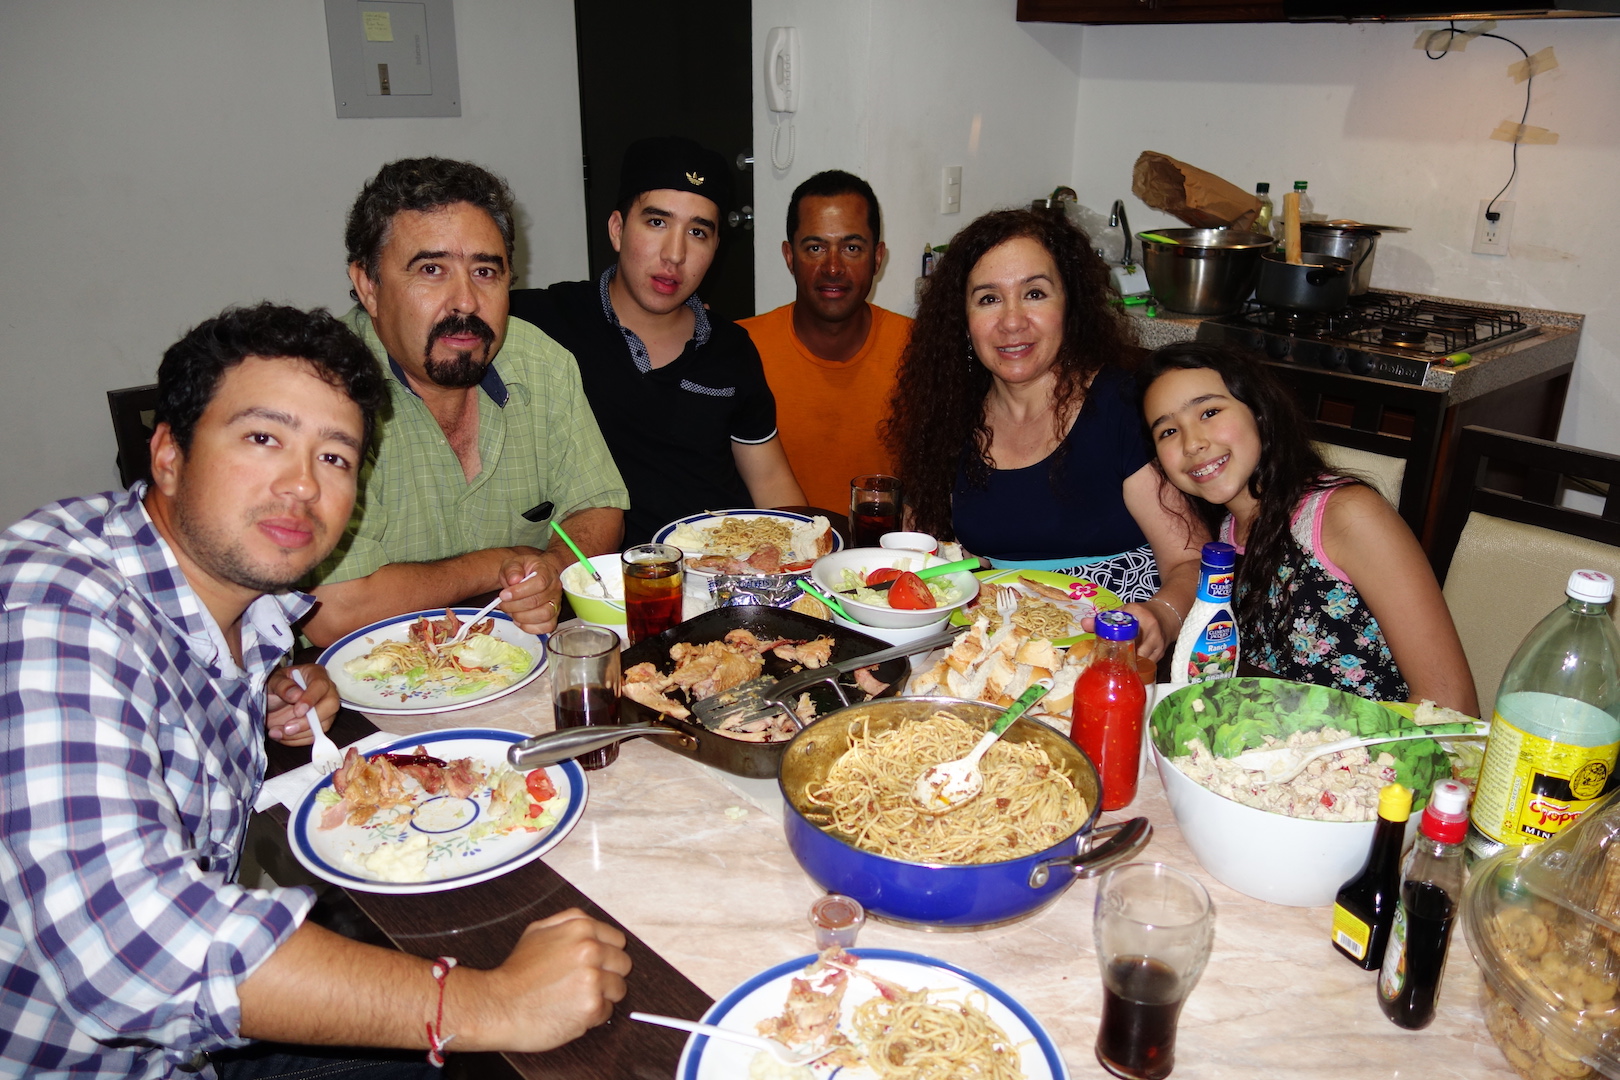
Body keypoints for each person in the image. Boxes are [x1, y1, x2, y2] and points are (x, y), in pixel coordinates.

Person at [0, 303, 632, 1079]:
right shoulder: (57, 602)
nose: (303, 484)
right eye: (263, 439)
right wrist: (486, 1003)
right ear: (167, 453)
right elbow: (131, 951)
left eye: (335, 456)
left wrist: (256, 691)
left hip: (197, 1044)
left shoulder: (238, 606)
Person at [304, 157, 630, 645]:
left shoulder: (541, 362)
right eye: (432, 269)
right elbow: (334, 610)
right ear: (368, 286)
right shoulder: (320, 392)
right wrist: (503, 563)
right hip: (365, 676)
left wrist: (552, 569)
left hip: (517, 659)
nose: (466, 301)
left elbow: (599, 507)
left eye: (485, 271)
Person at [884, 209, 1202, 661]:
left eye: (1034, 293)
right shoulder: (946, 417)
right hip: (991, 658)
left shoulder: (1124, 406)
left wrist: (1162, 617)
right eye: (988, 299)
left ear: (1069, 304)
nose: (1012, 321)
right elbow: (925, 560)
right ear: (962, 319)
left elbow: (1191, 560)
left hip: (1115, 657)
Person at [1140, 341, 1478, 712]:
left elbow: (1451, 703)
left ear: (1260, 412)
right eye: (1167, 431)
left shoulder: (1347, 515)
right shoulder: (1225, 535)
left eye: (1209, 412)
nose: (1192, 443)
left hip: (1384, 741)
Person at [509, 136, 804, 547]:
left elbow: (770, 481)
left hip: (717, 567)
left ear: (715, 248)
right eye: (657, 223)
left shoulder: (731, 348)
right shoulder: (542, 322)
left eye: (698, 232)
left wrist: (804, 559)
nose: (675, 254)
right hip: (598, 574)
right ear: (617, 229)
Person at [739, 170, 911, 510]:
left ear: (877, 258)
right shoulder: (740, 347)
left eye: (851, 248)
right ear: (790, 257)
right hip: (772, 542)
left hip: (886, 544)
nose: (833, 268)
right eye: (815, 248)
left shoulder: (919, 348)